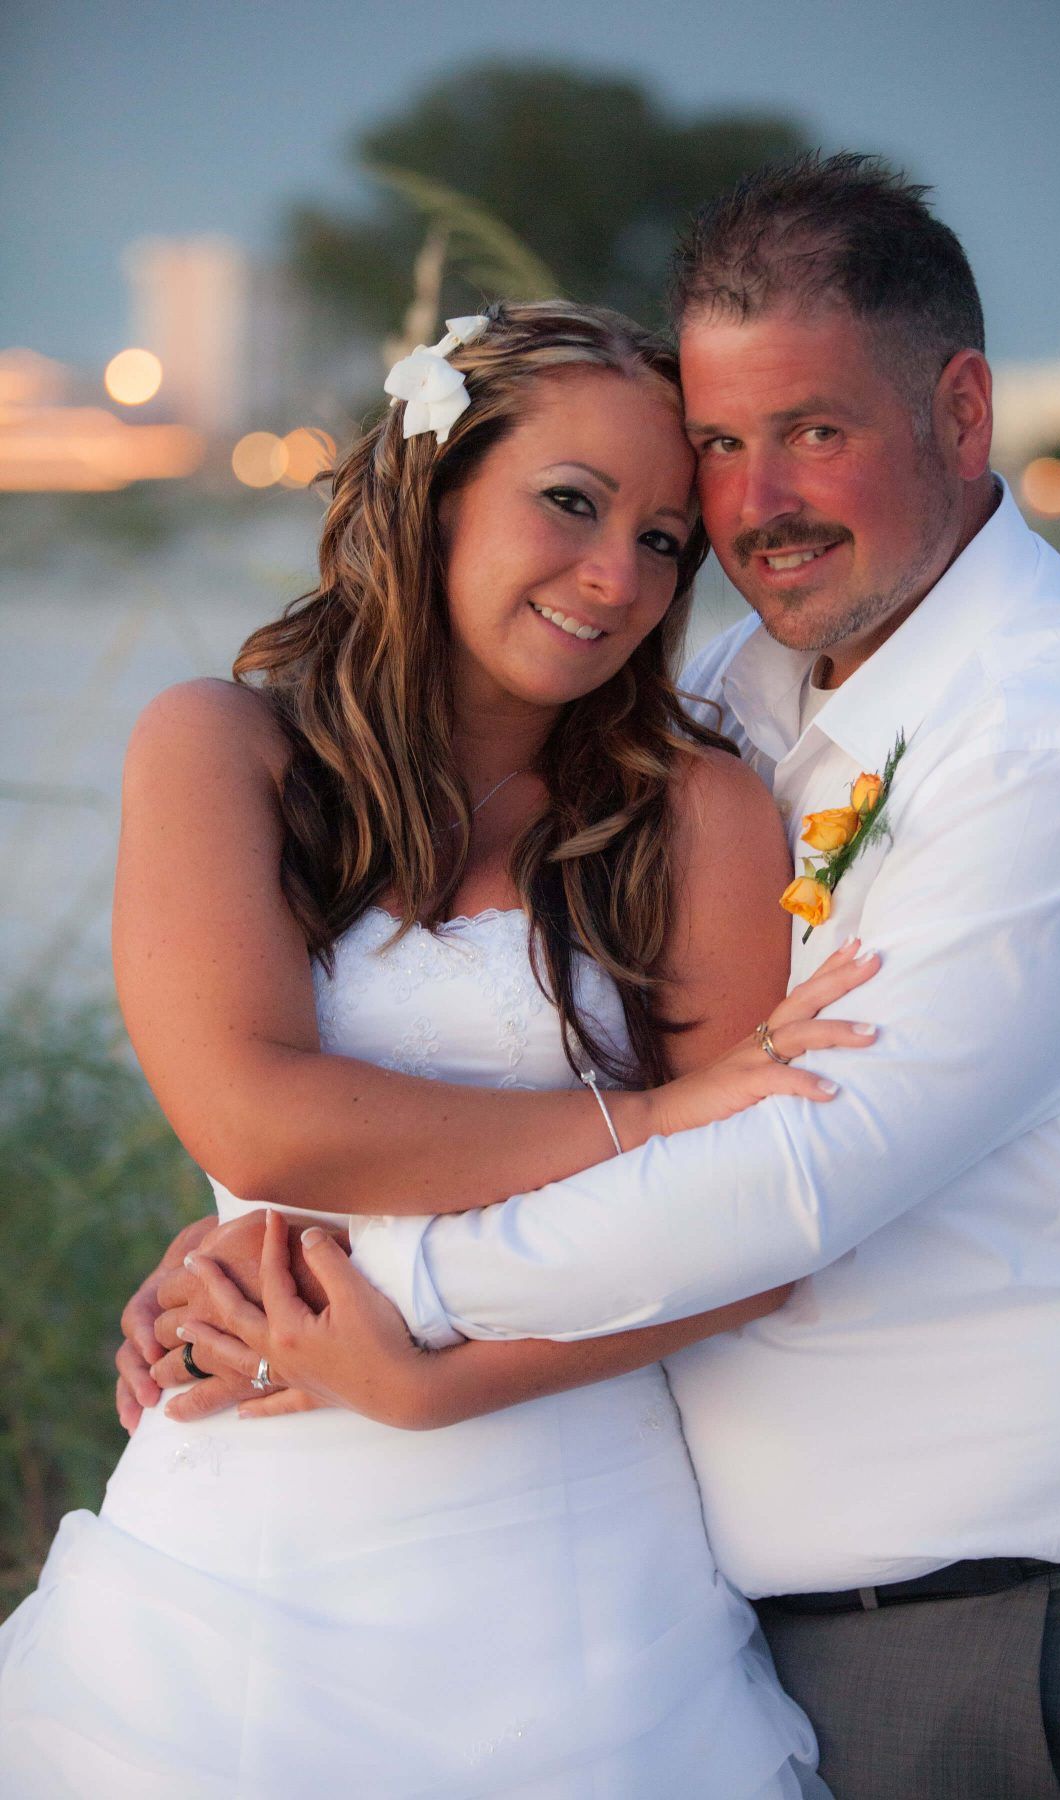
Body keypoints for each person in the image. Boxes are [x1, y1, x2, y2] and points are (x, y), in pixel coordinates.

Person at [145, 155, 1060, 1799]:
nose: (739, 508)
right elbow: (270, 1101)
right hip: (737, 1607)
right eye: (719, 447)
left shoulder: (1057, 743)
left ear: (965, 410)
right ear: (438, 486)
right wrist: (240, 1257)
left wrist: (326, 1300)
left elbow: (792, 1176)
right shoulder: (738, 690)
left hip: (1019, 1626)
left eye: (817, 430)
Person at [0, 300, 889, 1796]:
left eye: (669, 537)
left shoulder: (695, 812)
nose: (618, 575)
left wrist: (428, 1378)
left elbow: (762, 1238)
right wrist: (653, 1121)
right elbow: (263, 1129)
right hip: (244, 1549)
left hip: (575, 1568)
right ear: (435, 483)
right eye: (571, 502)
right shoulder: (223, 750)